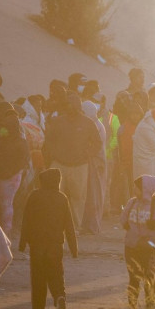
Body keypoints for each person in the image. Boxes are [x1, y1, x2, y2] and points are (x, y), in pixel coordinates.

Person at [19, 168, 78, 309]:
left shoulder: (35, 196)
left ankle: (38, 308)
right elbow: (69, 225)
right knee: (57, 273)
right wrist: (73, 248)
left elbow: (26, 220)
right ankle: (59, 297)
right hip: (55, 245)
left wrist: (22, 242)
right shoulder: (62, 198)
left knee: (38, 276)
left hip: (37, 244)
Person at [42, 91, 102, 231]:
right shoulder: (58, 121)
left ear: (77, 105)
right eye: (67, 104)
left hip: (80, 165)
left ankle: (74, 228)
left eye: (71, 104)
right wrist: (52, 155)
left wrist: (88, 154)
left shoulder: (87, 122)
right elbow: (49, 140)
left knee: (78, 198)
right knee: (53, 196)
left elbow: (97, 143)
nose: (68, 107)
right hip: (58, 164)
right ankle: (54, 226)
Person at [120, 175, 155, 309]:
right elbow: (123, 218)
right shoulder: (132, 202)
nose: (134, 189)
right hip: (132, 246)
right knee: (133, 278)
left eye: (137, 187)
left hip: (151, 248)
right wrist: (128, 226)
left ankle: (150, 307)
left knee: (149, 279)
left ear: (145, 189)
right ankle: (132, 307)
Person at [0, 110, 30, 236]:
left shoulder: (20, 142)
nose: (2, 130)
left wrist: (8, 173)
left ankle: (5, 232)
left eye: (6, 127)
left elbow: (22, 162)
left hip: (10, 177)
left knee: (6, 205)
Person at [81, 101, 107, 235]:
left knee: (94, 195)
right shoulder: (93, 124)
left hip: (95, 164)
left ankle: (92, 226)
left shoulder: (95, 125)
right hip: (94, 163)